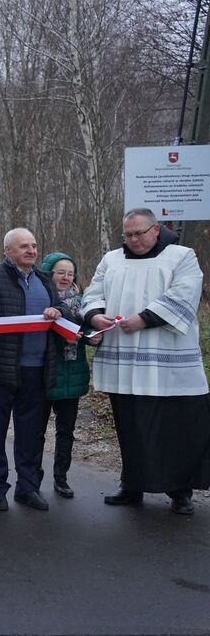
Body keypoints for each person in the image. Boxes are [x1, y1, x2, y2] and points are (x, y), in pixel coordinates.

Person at [83, 208, 210, 515]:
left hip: (169, 363)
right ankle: (132, 484)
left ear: (156, 230)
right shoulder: (111, 259)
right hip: (123, 362)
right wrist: (94, 315)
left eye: (139, 233)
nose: (134, 240)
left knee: (177, 427)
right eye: (128, 234)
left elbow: (184, 295)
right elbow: (93, 292)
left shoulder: (181, 256)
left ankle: (181, 492)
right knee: (131, 425)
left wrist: (144, 319)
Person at [0, 228, 62, 512]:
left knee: (30, 434)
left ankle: (28, 488)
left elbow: (65, 313)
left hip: (36, 371)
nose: (31, 251)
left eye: (34, 245)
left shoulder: (45, 281)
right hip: (0, 372)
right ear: (8, 251)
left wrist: (57, 312)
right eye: (23, 246)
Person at [38, 251, 100, 499]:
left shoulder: (82, 302)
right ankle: (33, 479)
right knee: (36, 432)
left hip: (73, 373)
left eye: (70, 273)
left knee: (66, 430)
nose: (65, 277)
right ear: (48, 273)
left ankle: (61, 478)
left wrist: (94, 336)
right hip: (44, 373)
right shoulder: (38, 299)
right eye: (60, 272)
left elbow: (88, 330)